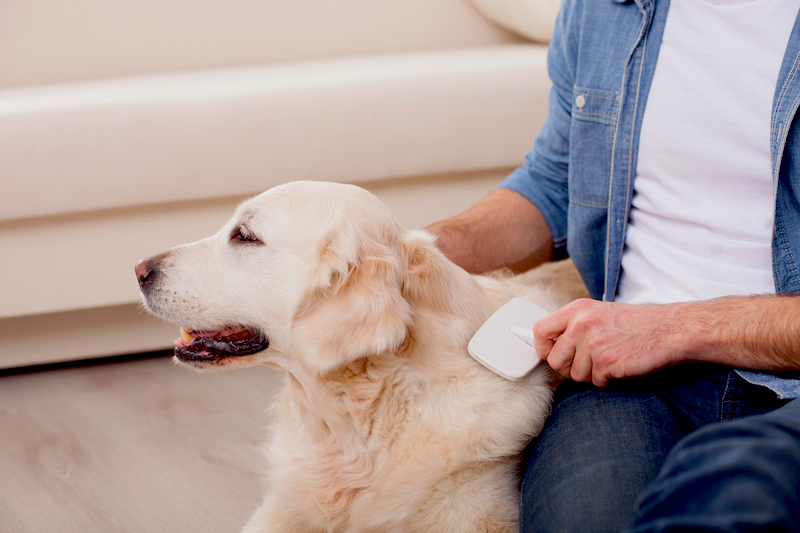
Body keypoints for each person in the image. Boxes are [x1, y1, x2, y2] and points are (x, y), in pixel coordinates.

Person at [426, 0, 800, 531]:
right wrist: (407, 256)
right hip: (625, 380)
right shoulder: (605, 9)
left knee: (735, 496)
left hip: (785, 382)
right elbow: (556, 183)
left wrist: (674, 327)